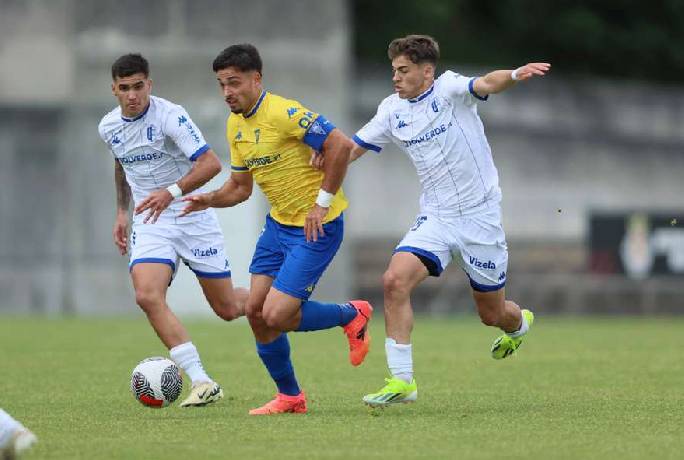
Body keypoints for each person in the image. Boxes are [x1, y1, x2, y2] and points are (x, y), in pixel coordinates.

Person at [316, 35, 549, 406]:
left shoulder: (450, 89)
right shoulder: (391, 111)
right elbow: (351, 148)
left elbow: (488, 82)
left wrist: (517, 74)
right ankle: (402, 382)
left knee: (492, 315)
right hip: (436, 218)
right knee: (394, 280)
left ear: (427, 71)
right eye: (394, 70)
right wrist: (325, 161)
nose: (396, 77)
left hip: (479, 219)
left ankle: (519, 324)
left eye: (403, 70)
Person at [181, 44, 373, 415]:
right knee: (256, 312)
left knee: (278, 315)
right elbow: (240, 188)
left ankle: (351, 314)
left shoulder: (284, 112)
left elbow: (339, 144)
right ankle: (291, 397)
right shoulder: (235, 124)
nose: (227, 93)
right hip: (278, 226)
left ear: (256, 79)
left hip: (317, 226)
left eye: (234, 83)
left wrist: (321, 202)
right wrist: (208, 199)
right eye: (222, 85)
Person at [98, 53, 248, 407]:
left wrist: (171, 193)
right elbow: (121, 164)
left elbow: (210, 163)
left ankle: (281, 298)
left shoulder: (170, 115)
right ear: (114, 90)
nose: (132, 95)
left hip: (191, 213)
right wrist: (122, 211)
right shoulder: (108, 126)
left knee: (227, 308)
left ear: (149, 84)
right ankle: (201, 380)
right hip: (151, 220)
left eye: (138, 87)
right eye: (124, 88)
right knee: (147, 296)